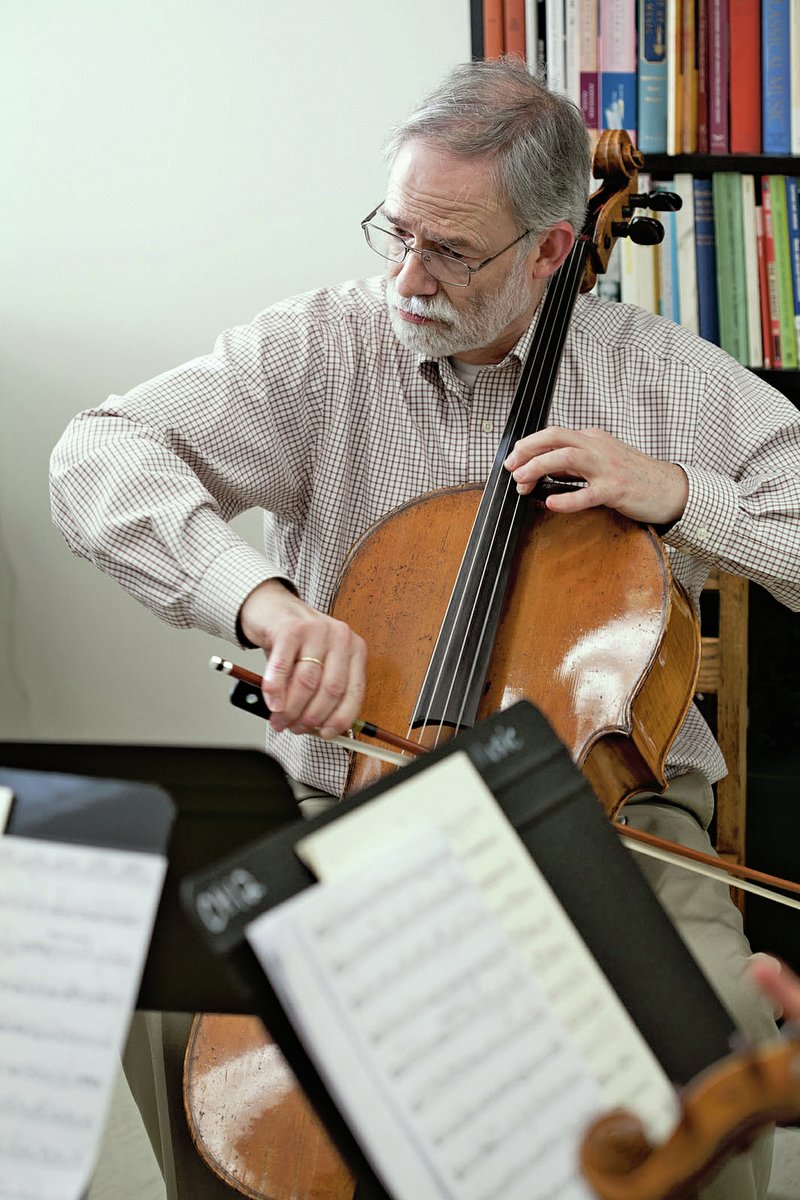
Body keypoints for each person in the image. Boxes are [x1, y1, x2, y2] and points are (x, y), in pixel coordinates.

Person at [50, 57, 800, 1200]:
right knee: (180, 999)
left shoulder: (664, 381)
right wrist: (269, 605)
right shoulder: (320, 348)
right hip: (345, 792)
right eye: (393, 231)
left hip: (613, 817)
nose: (406, 276)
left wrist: (679, 493)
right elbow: (96, 457)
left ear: (554, 249)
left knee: (708, 1070)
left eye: (450, 252)